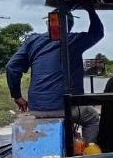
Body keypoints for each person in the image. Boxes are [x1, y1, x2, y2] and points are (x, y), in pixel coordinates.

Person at [6, 7, 104, 143]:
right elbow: (98, 33)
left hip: (37, 108)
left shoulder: (33, 41)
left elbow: (11, 67)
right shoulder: (74, 40)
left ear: (49, 24)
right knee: (92, 117)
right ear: (70, 25)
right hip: (65, 108)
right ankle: (87, 152)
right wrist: (90, 10)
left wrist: (17, 96)